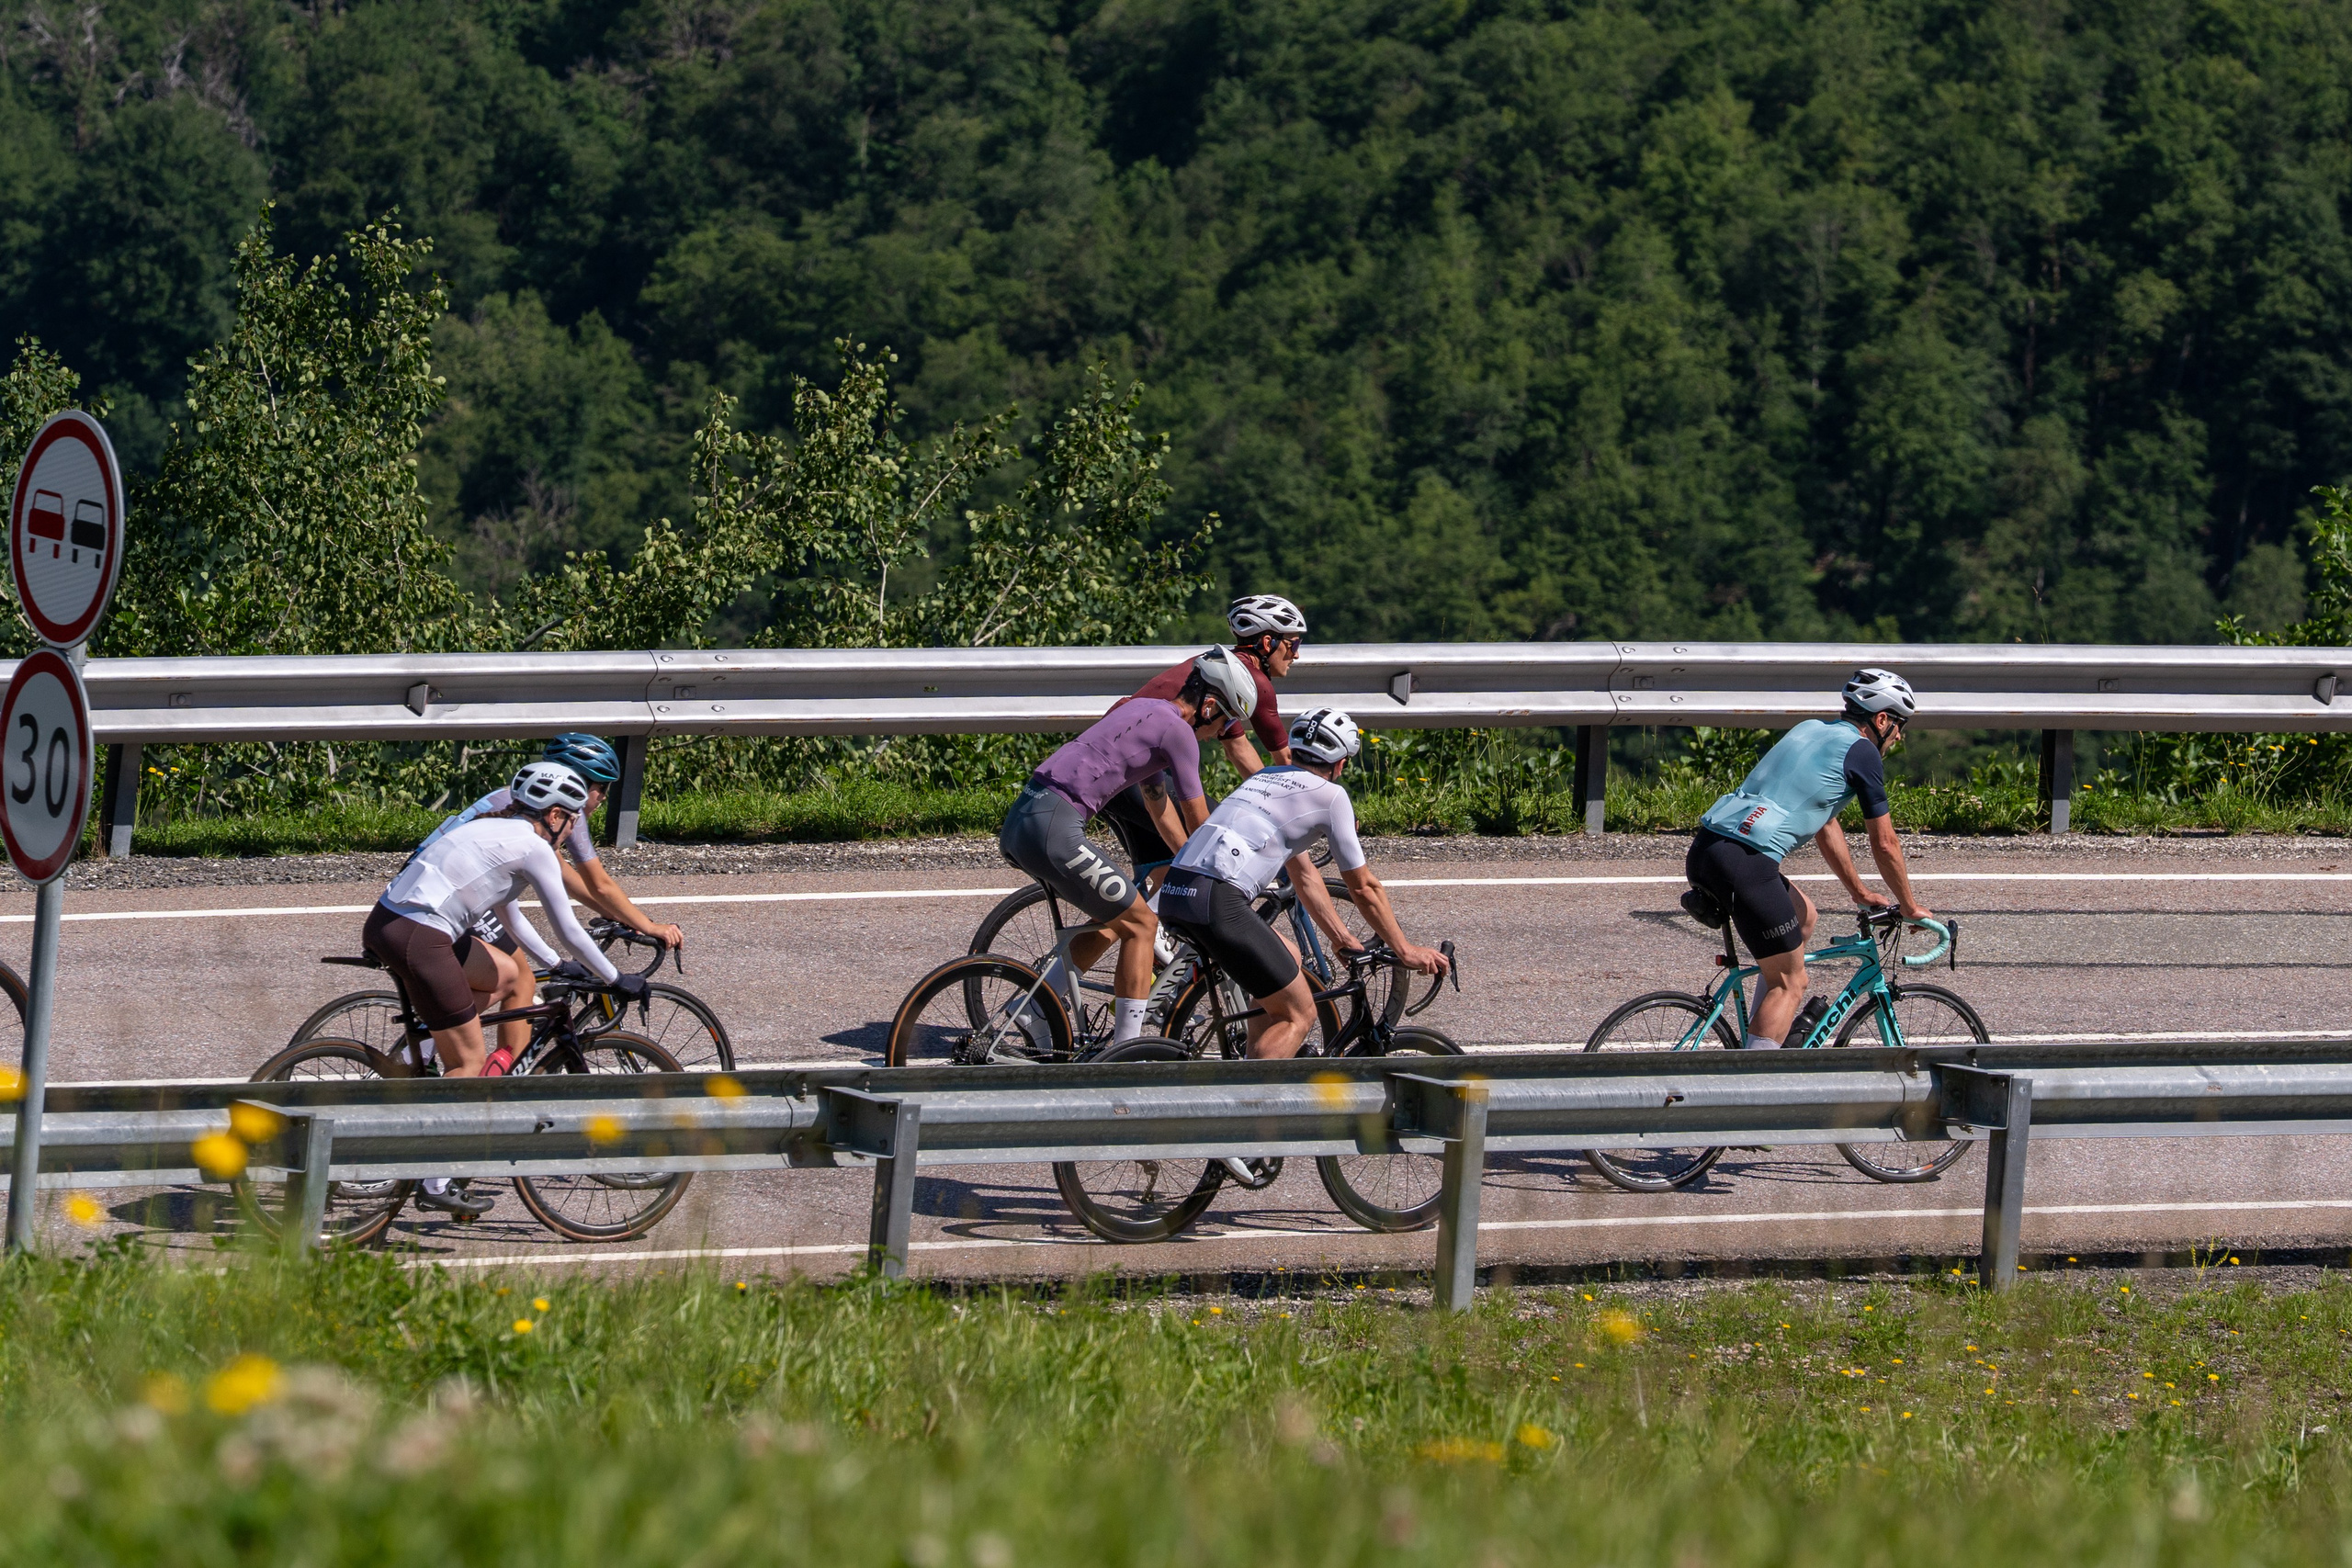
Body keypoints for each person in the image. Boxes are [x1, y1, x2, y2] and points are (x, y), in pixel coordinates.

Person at [364, 760, 648, 1215]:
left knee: (509, 975)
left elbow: (512, 916)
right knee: (470, 1059)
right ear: (555, 816)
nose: (572, 828)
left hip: (398, 922)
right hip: (422, 936)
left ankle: (422, 1055)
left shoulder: (494, 828)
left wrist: (557, 964)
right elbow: (570, 927)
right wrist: (616, 979)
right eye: (573, 818)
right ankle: (434, 1180)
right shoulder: (534, 848)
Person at [1157, 706, 1449, 1060]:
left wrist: (1341, 938)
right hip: (1218, 902)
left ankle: (1257, 1061)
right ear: (1340, 764)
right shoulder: (1331, 796)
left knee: (1289, 958)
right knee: (1300, 1013)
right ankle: (1246, 1104)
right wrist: (1404, 950)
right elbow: (1364, 888)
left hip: (1176, 890)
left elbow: (1304, 874)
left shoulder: (1264, 778)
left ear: (1293, 752)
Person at [999, 649, 1259, 1043]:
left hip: (1028, 816)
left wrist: (1187, 859)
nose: (1220, 732)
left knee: (1118, 918)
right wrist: (1229, 871)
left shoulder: (1149, 710)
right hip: (1055, 828)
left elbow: (1157, 804)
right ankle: (1127, 1048)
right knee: (1142, 925)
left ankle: (1037, 1006)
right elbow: (1199, 820)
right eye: (1225, 721)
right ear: (1208, 706)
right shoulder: (1180, 734)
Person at [1685, 668, 1935, 1050]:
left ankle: (1767, 1032)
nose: (1899, 734)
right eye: (1899, 724)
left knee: (1804, 916)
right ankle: (1753, 1084)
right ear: (1881, 719)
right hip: (1746, 864)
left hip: (1707, 849)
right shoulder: (1863, 752)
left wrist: (1860, 891)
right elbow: (1885, 843)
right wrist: (1911, 905)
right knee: (1792, 983)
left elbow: (1826, 822)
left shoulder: (1810, 729)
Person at [1096, 594, 1309, 886]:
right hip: (1136, 775)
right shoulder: (1255, 683)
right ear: (1268, 643)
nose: (1296, 655)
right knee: (1217, 856)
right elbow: (1287, 763)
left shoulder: (1216, 669)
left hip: (1110, 773)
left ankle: (1122, 931)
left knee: (1158, 891)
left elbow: (1238, 748)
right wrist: (1314, 812)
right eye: (1293, 644)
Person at [422, 733, 684, 958]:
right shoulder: (566, 808)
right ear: (578, 782)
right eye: (601, 787)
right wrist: (648, 926)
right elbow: (599, 885)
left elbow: (564, 875)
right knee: (517, 982)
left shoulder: (532, 800)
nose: (603, 797)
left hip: (423, 881)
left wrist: (622, 917)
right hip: (441, 896)